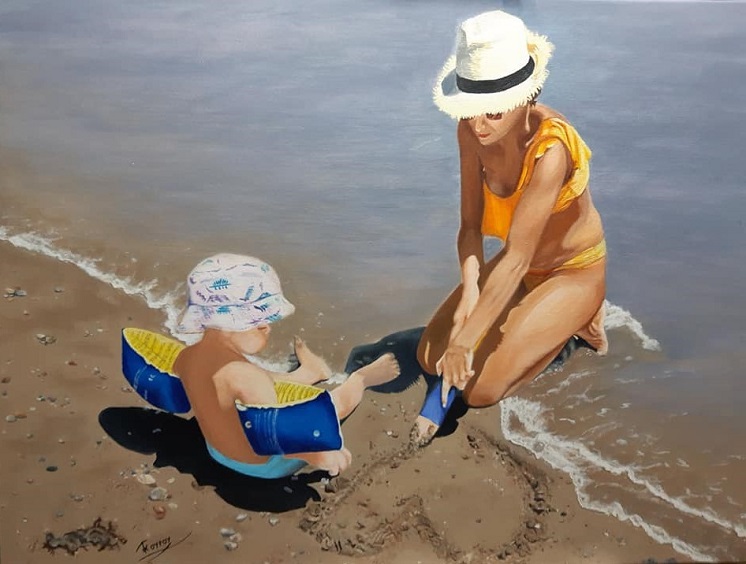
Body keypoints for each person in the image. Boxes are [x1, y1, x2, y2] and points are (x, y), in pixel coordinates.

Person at [414, 11, 608, 443]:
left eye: (493, 113)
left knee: (479, 390)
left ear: (526, 98)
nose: (478, 124)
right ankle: (527, 320)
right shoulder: (471, 130)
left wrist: (465, 341)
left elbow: (518, 258)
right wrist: (470, 290)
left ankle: (579, 321)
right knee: (428, 355)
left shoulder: (551, 149)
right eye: (470, 110)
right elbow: (470, 227)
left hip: (570, 270)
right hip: (517, 267)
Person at [172, 253, 400, 478]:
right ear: (230, 322)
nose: (267, 327)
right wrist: (316, 455)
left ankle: (309, 373)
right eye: (259, 322)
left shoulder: (186, 357)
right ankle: (364, 378)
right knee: (334, 405)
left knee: (249, 379)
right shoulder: (248, 378)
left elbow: (211, 391)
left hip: (216, 452)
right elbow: (274, 438)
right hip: (261, 466)